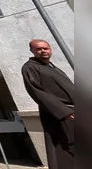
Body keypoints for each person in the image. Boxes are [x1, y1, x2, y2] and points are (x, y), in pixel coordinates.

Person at [21, 39, 74, 169]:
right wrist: (65, 112)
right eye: (39, 49)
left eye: (46, 48)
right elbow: (37, 92)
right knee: (64, 148)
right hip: (59, 116)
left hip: (73, 111)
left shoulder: (52, 67)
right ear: (32, 51)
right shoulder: (30, 67)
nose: (43, 51)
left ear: (50, 49)